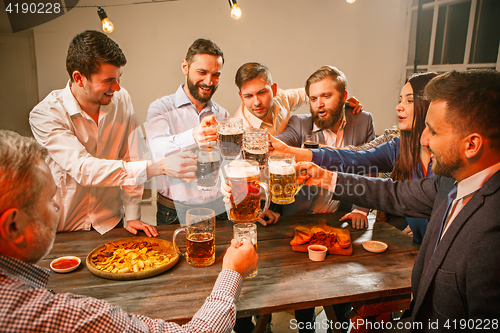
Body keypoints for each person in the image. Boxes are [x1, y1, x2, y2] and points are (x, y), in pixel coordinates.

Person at [294, 69, 500, 329]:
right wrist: (322, 177)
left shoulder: (492, 228)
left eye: (434, 132)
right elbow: (392, 192)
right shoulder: (450, 183)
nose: (424, 139)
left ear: (472, 145)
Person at [0, 129, 258, 333]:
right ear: (13, 227)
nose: (58, 205)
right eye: (50, 199)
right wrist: (232, 272)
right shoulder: (62, 315)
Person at [29, 30, 196, 236]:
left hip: (110, 222)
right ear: (79, 78)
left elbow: (131, 155)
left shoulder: (122, 99)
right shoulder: (45, 115)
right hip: (63, 226)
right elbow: (84, 169)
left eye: (119, 78)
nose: (117, 87)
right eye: (108, 80)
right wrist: (157, 167)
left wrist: (133, 215)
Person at [272, 72, 438, 242]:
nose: (399, 106)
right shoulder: (399, 146)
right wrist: (293, 153)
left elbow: (393, 193)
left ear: (431, 106)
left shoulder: (446, 159)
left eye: (409, 101)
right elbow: (354, 158)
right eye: (400, 100)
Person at [275, 65, 375, 224]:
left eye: (326, 96)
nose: (319, 104)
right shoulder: (299, 124)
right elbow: (277, 145)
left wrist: (360, 210)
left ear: (344, 96)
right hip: (299, 217)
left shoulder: (363, 121)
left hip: (341, 218)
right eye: (313, 99)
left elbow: (370, 168)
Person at [146, 38, 230, 226]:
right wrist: (194, 135)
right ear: (185, 67)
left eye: (216, 75)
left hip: (219, 210)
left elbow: (227, 164)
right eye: (202, 72)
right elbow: (156, 149)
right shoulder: (160, 108)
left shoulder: (222, 114)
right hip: (174, 212)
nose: (209, 81)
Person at [233, 62, 363, 136]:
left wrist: (340, 102)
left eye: (262, 93)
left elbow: (311, 93)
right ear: (241, 97)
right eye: (248, 96)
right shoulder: (238, 128)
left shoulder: (281, 97)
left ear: (274, 89)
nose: (257, 102)